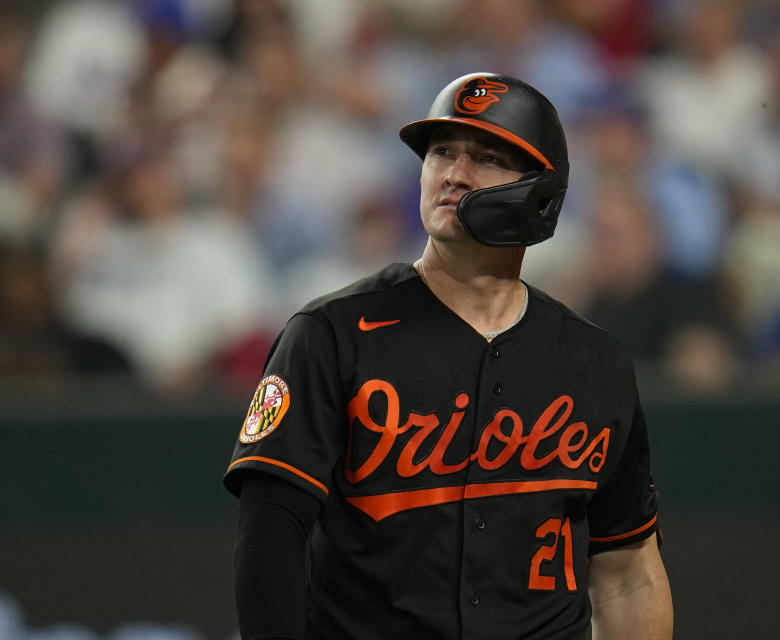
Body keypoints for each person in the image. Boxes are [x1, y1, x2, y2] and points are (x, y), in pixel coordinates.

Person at [223, 72, 673, 640]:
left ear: (540, 193)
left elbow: (628, 573)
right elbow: (270, 538)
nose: (454, 174)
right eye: (441, 152)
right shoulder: (331, 334)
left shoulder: (595, 361)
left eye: (486, 158)